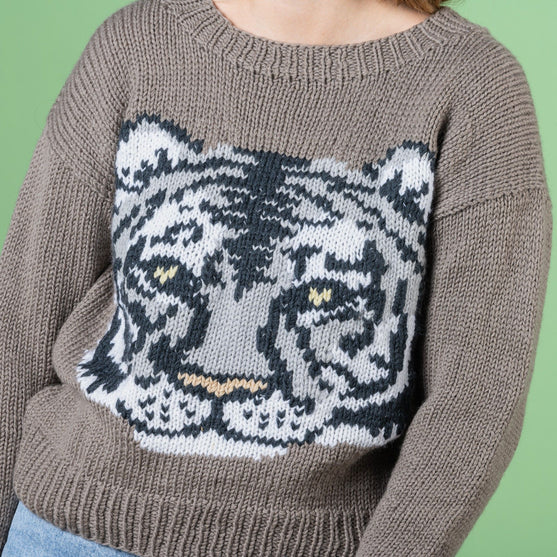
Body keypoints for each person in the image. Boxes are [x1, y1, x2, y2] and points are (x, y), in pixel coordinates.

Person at [0, 0, 552, 555]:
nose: (220, 373)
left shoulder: (475, 85)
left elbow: (476, 400)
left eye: (321, 293)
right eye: (172, 273)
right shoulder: (137, 43)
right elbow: (22, 322)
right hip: (60, 532)